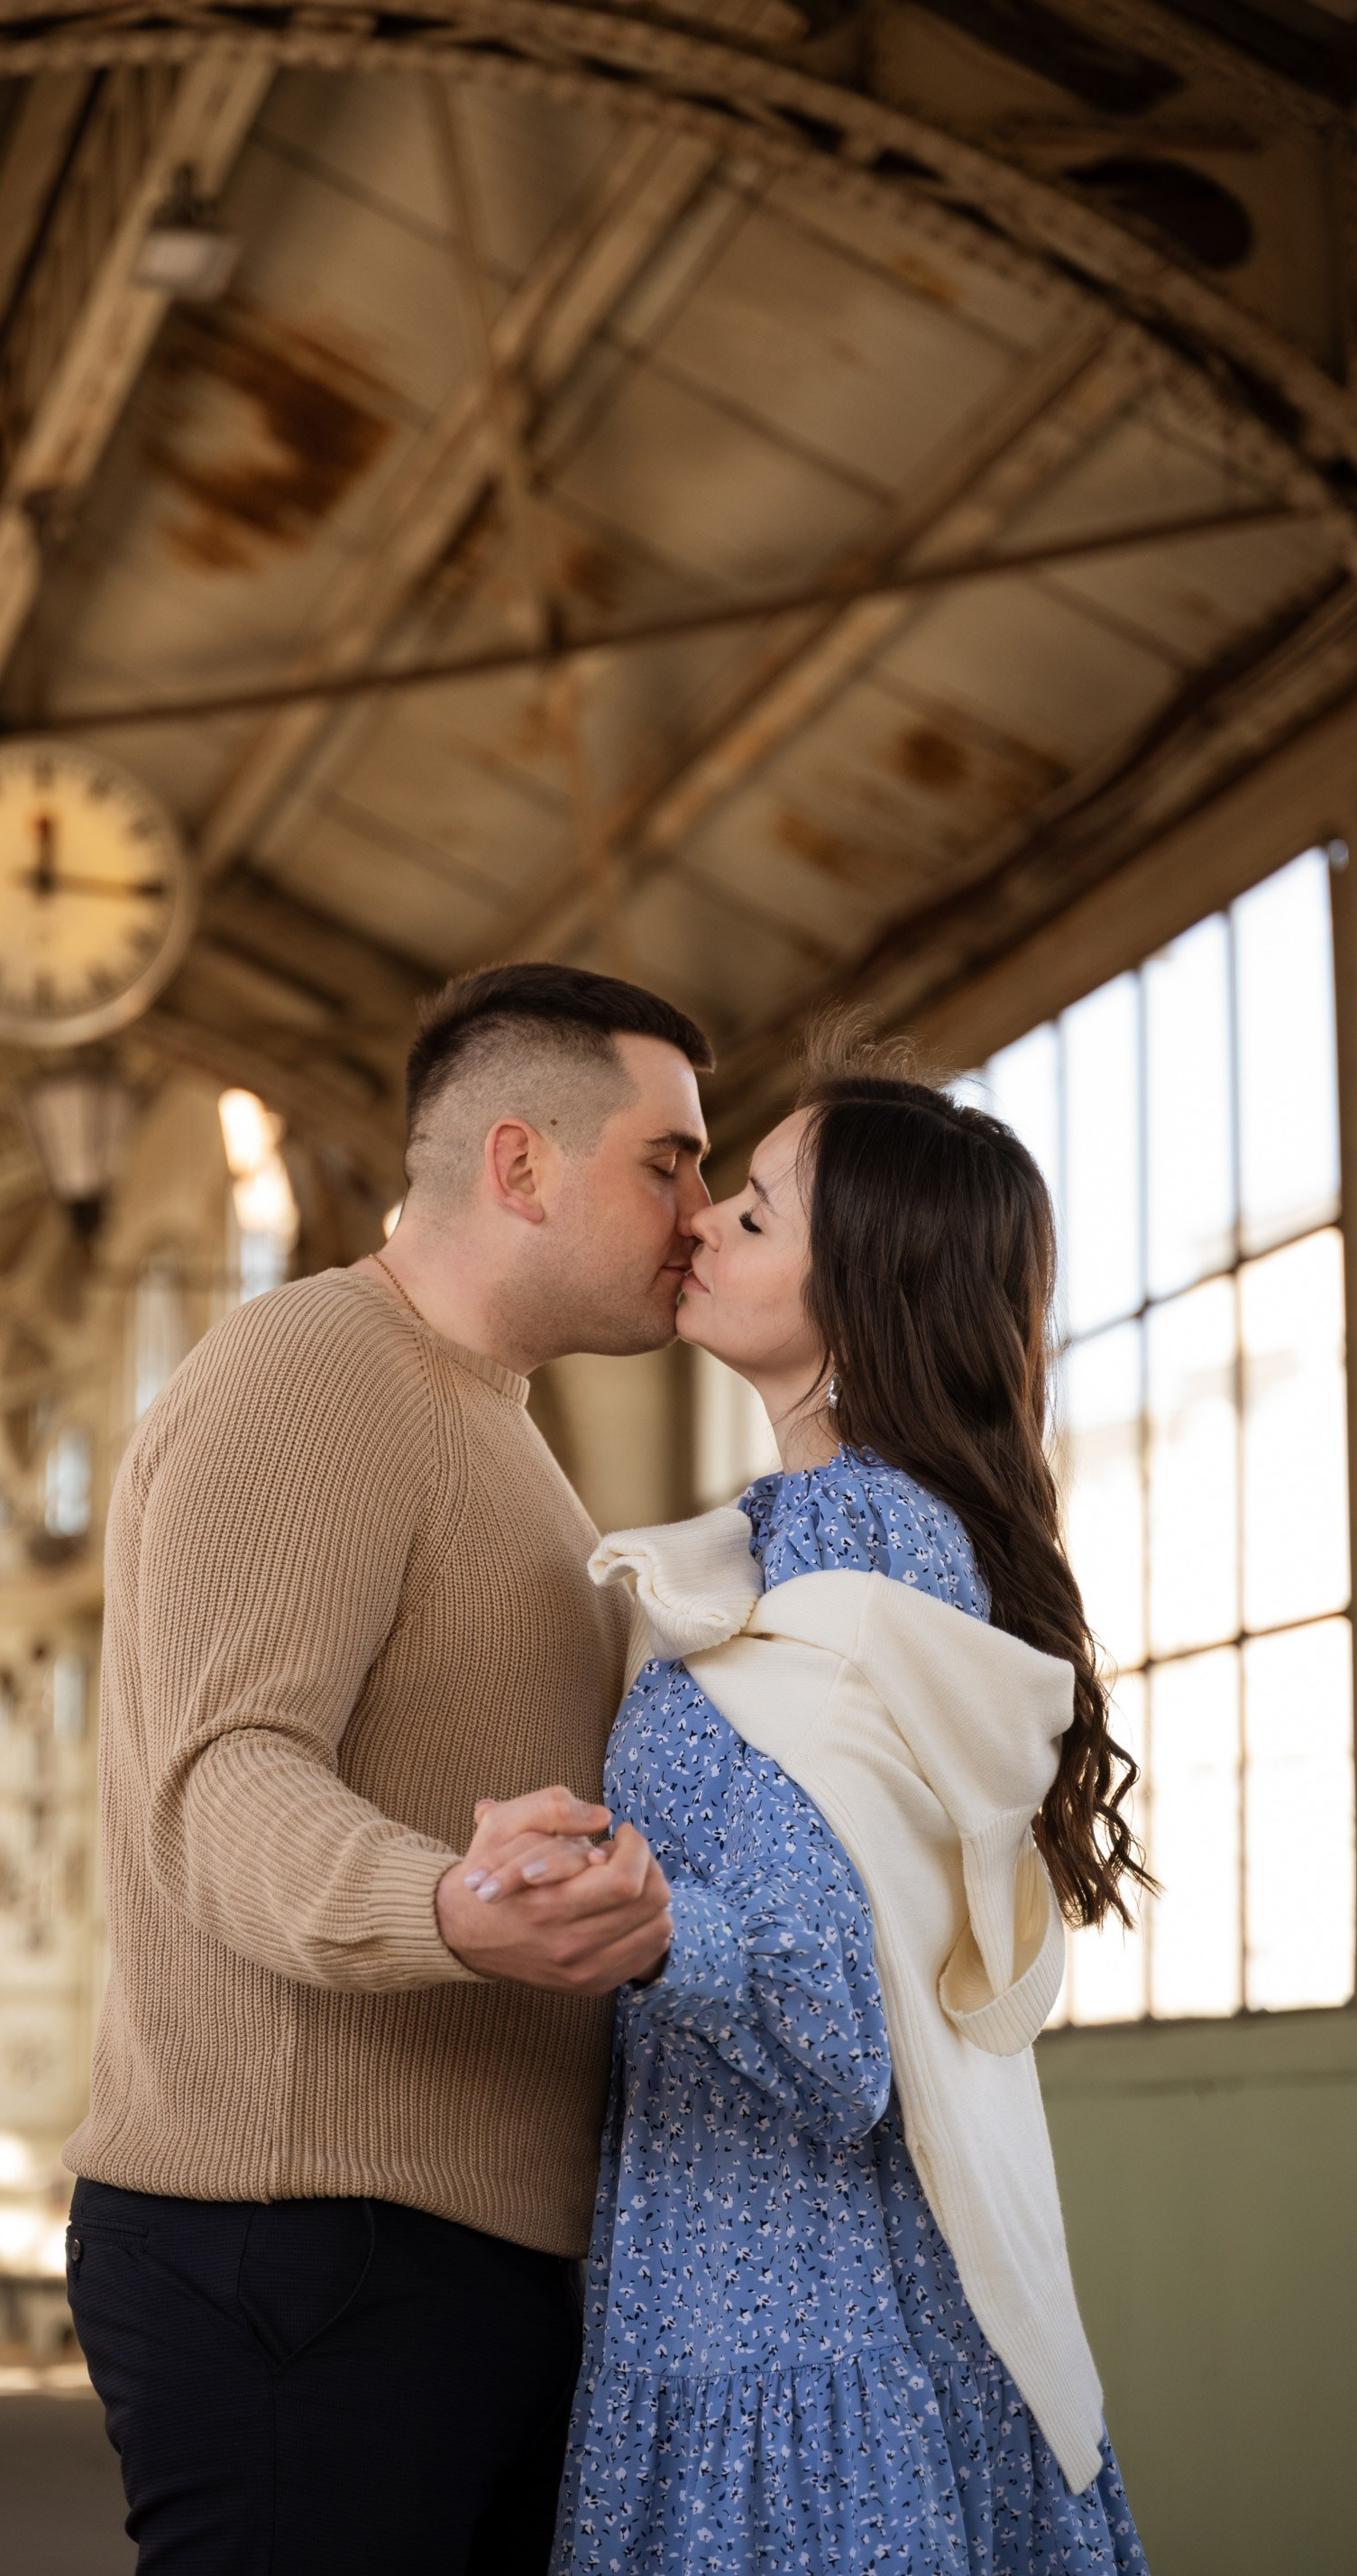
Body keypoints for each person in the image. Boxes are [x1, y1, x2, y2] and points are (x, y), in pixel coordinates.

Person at [63, 961, 708, 2575]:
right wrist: (443, 1906)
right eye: (670, 1162)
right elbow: (225, 1773)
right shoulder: (318, 1366)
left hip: (433, 2258)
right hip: (306, 2248)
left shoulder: (491, 1422)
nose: (700, 1215)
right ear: (520, 1164)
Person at [476, 1038, 1151, 2574]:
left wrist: (646, 1921)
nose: (701, 1220)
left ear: (859, 1294)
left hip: (789, 2338)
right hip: (794, 2301)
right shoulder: (835, 1534)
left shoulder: (854, 1539)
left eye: (756, 1213)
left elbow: (835, 2031)